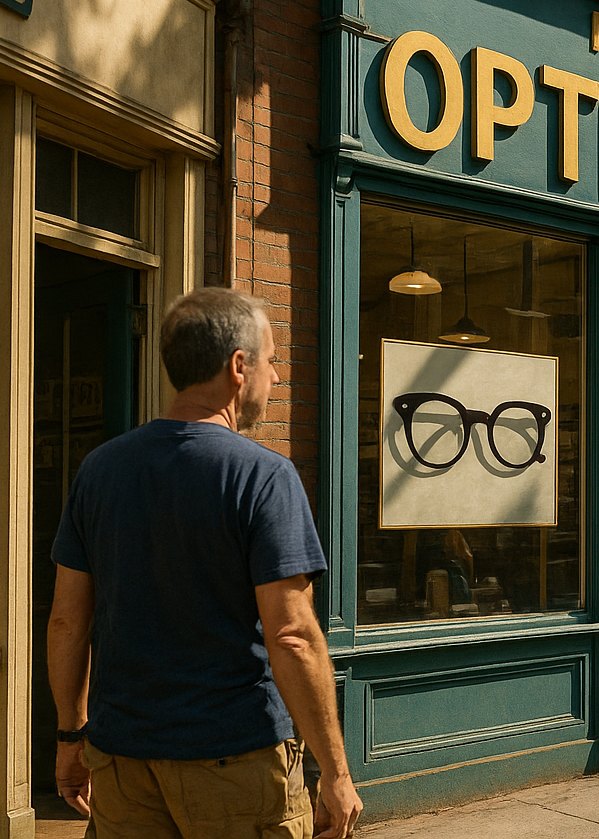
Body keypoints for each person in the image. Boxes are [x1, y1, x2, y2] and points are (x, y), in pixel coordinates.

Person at [46, 288, 361, 839]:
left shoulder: (99, 471)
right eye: (272, 361)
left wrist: (71, 736)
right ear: (239, 367)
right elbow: (292, 635)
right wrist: (335, 772)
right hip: (236, 764)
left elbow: (68, 620)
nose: (277, 378)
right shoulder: (263, 476)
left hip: (122, 762)